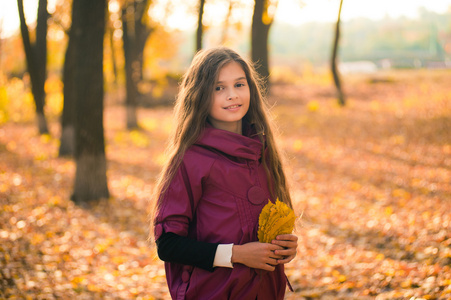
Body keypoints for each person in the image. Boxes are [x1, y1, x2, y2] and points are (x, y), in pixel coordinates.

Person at [150, 46, 298, 300]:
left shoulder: (263, 152)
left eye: (239, 85)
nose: (232, 95)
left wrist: (284, 246)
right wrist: (236, 254)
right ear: (199, 95)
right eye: (219, 88)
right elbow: (168, 245)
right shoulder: (190, 160)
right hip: (212, 292)